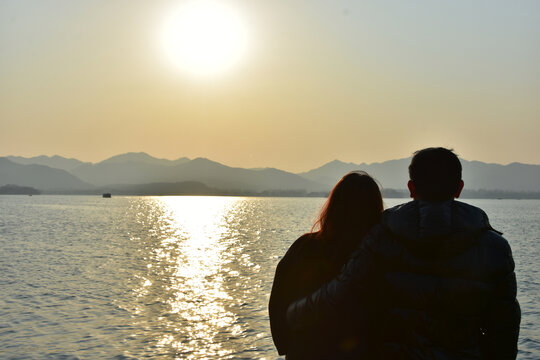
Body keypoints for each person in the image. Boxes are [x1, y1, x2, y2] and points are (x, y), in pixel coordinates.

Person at [287, 147, 521, 360]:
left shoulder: (382, 237)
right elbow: (504, 326)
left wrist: (293, 313)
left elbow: (341, 294)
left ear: (411, 188)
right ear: (459, 188)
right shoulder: (494, 247)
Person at [269, 171, 383, 359]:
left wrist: (287, 345)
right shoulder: (380, 254)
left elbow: (279, 301)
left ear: (335, 205)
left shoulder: (305, 248)